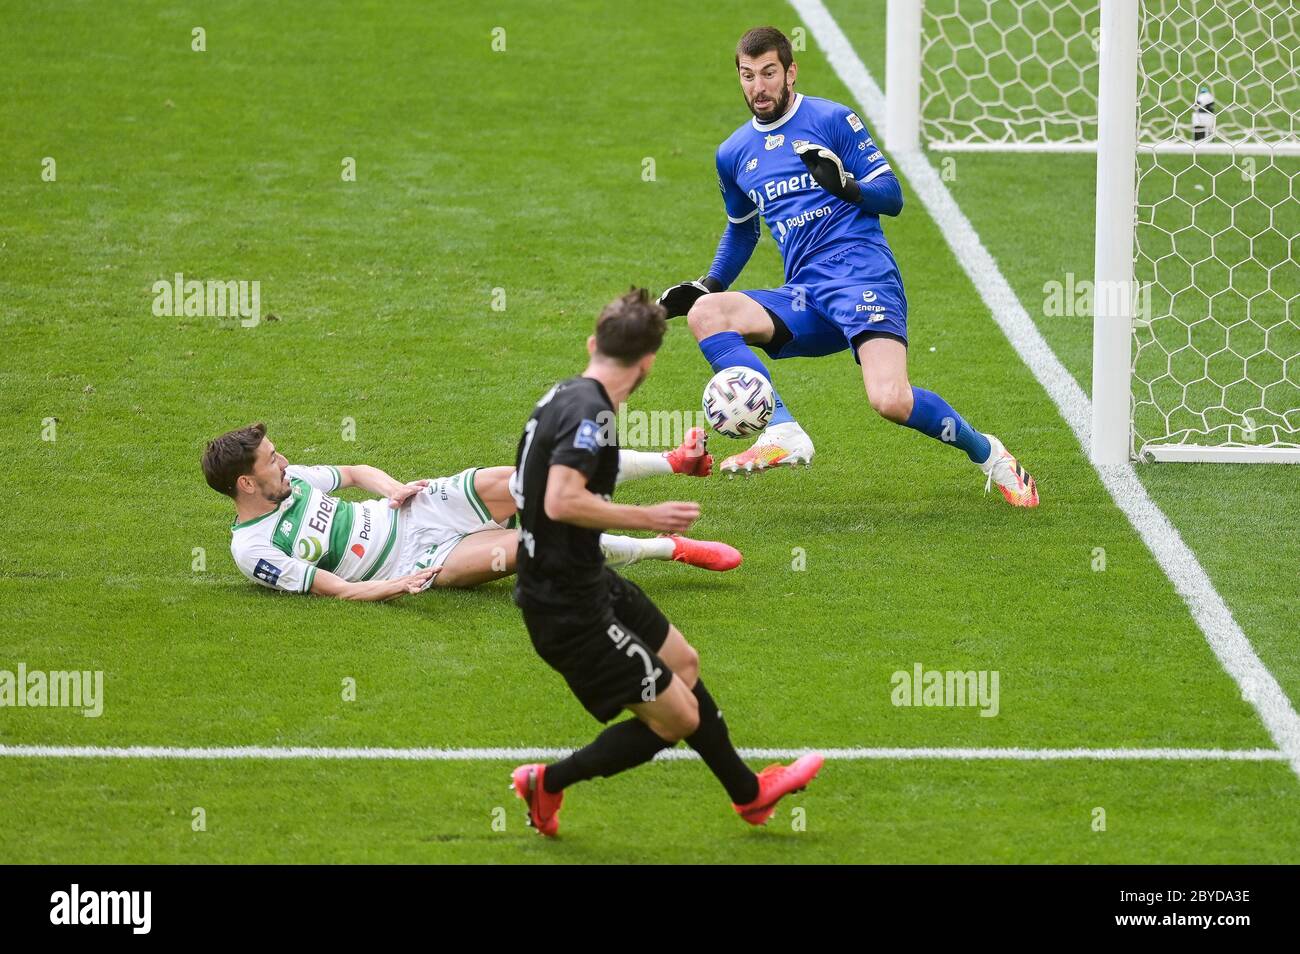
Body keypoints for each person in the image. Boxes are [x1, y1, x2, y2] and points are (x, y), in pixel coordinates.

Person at [657, 26, 1039, 507]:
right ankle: (783, 431)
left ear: (790, 72)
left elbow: (893, 197)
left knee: (890, 401)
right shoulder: (733, 153)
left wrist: (846, 186)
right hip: (806, 295)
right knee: (707, 314)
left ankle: (991, 455)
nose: (759, 86)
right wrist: (706, 285)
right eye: (748, 75)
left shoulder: (833, 120)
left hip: (862, 276)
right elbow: (742, 230)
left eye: (769, 73)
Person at [509, 287, 823, 836]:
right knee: (679, 719)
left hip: (585, 579)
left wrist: (673, 463)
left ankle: (750, 795)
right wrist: (649, 517)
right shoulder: (591, 412)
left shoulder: (569, 394)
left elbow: (571, 472)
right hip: (564, 607)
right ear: (649, 363)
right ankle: (548, 783)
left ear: (594, 344)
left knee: (685, 662)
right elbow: (561, 498)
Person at [201, 422, 739, 601]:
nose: (286, 462)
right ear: (246, 483)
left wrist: (394, 489)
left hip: (416, 513)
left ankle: (676, 461)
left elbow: (358, 472)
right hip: (422, 558)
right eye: (273, 461)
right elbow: (339, 591)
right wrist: (400, 584)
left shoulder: (289, 482)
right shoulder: (253, 550)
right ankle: (672, 550)